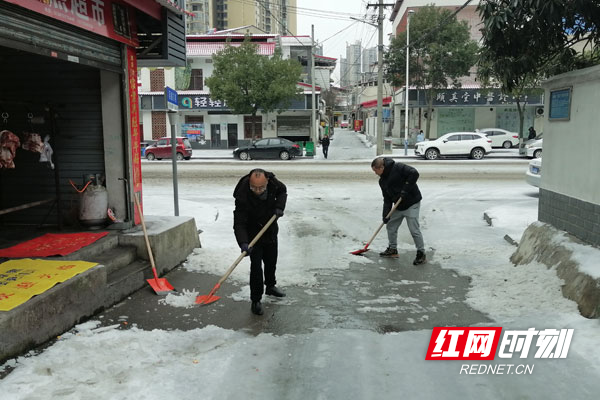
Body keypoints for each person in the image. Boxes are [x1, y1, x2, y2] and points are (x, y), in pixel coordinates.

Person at [233, 168, 287, 315]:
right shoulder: (242, 196)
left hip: (269, 229)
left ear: (267, 182)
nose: (257, 191)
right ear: (249, 183)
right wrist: (243, 242)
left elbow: (283, 192)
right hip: (252, 235)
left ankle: (270, 286)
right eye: (254, 187)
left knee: (271, 261)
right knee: (256, 268)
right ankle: (256, 300)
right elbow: (239, 223)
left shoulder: (274, 184)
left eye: (261, 187)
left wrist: (279, 207)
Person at [371, 157, 426, 265]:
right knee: (391, 226)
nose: (375, 173)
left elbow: (414, 173)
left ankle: (421, 253)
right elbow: (387, 199)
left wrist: (405, 190)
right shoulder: (382, 181)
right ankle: (393, 250)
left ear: (381, 167)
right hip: (398, 206)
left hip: (412, 203)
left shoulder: (398, 167)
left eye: (375, 170)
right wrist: (385, 215)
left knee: (414, 230)